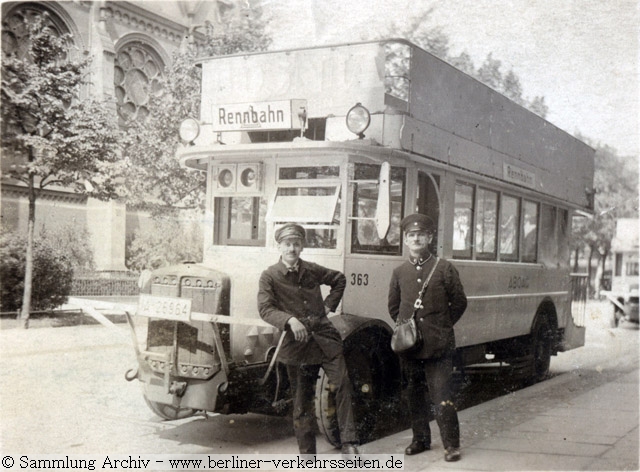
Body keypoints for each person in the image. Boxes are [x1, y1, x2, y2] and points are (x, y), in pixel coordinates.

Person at [257, 223, 359, 455]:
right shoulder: (269, 276)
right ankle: (307, 455)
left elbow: (339, 279)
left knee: (343, 384)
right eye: (287, 244)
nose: (291, 248)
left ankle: (349, 443)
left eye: (296, 244)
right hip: (297, 346)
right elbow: (265, 309)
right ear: (279, 246)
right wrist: (290, 320)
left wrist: (327, 306)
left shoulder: (311, 269)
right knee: (302, 402)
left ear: (302, 246)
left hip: (325, 340)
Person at [388, 213, 467, 462]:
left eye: (421, 234)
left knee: (442, 395)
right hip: (410, 348)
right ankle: (420, 440)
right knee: (414, 395)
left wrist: (441, 326)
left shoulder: (443, 268)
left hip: (438, 346)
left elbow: (460, 303)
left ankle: (451, 445)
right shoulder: (399, 272)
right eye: (411, 235)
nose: (416, 239)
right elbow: (394, 307)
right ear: (405, 239)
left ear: (430, 237)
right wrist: (410, 330)